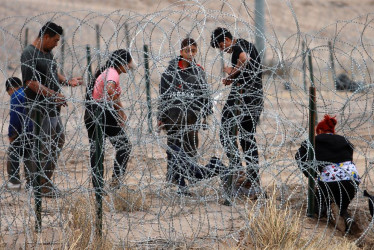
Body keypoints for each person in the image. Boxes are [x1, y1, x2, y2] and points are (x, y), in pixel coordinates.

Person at [21, 22, 83, 197]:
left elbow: (52, 73)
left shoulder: (47, 53)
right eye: (55, 40)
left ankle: (44, 182)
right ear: (45, 36)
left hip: (52, 108)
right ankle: (36, 184)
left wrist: (68, 81)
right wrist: (53, 95)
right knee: (42, 146)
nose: (57, 44)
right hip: (39, 108)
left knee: (57, 141)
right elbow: (31, 82)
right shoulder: (29, 54)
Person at [210, 27, 263, 197]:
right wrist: (233, 76)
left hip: (241, 99)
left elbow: (244, 59)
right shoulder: (248, 44)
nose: (222, 50)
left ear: (226, 40)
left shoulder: (238, 47)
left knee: (226, 132)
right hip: (255, 98)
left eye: (220, 46)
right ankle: (252, 180)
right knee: (248, 139)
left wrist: (232, 73)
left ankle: (238, 171)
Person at [157, 37, 213, 195]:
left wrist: (206, 115)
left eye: (193, 51)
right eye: (187, 50)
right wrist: (160, 117)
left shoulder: (198, 71)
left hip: (191, 119)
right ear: (181, 52)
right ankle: (177, 182)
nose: (190, 54)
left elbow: (205, 95)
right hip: (173, 119)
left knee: (189, 151)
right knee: (174, 151)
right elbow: (163, 97)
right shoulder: (170, 72)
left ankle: (186, 182)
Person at [295, 115, 361, 233]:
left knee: (317, 205)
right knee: (342, 203)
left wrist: (310, 173)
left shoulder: (314, 141)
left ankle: (326, 214)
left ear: (319, 131)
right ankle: (345, 216)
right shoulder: (344, 141)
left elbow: (299, 157)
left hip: (330, 180)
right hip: (352, 180)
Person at [84, 49, 133, 192]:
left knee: (97, 150)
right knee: (124, 146)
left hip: (92, 113)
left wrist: (119, 110)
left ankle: (98, 187)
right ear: (122, 63)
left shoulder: (106, 71)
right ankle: (115, 182)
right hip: (102, 112)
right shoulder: (112, 72)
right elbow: (110, 89)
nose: (129, 66)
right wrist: (115, 108)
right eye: (128, 63)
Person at [5, 77, 33, 190]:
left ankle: (14, 182)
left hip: (23, 131)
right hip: (33, 130)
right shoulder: (27, 92)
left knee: (13, 154)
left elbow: (15, 117)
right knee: (29, 156)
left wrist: (12, 134)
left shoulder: (16, 96)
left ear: (11, 88)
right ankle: (32, 183)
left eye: (8, 92)